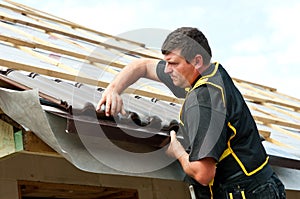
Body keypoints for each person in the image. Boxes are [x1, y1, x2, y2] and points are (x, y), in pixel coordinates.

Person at [96, 27, 286, 199]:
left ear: (196, 61)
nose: (167, 70)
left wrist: (177, 151)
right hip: (263, 184)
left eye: (174, 63)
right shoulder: (210, 72)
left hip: (244, 192)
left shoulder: (203, 101)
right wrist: (113, 90)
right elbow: (142, 66)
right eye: (166, 63)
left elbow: (203, 174)